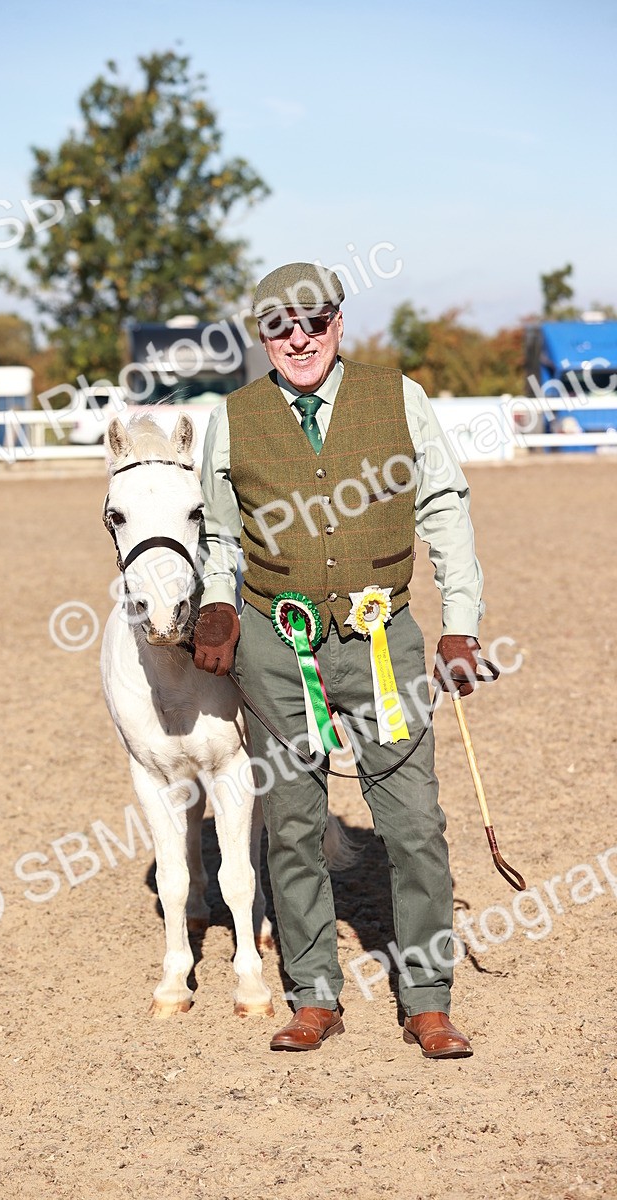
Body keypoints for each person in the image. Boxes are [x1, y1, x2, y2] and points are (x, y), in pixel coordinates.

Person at [192, 262, 484, 1058]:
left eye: (313, 322)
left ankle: (427, 997)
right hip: (273, 643)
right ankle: (314, 993)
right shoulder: (232, 417)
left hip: (383, 637)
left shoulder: (400, 398)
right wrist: (217, 603)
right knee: (291, 823)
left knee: (415, 822)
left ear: (339, 324)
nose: (298, 338)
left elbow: (446, 511)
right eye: (279, 326)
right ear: (261, 336)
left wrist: (460, 623)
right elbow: (219, 537)